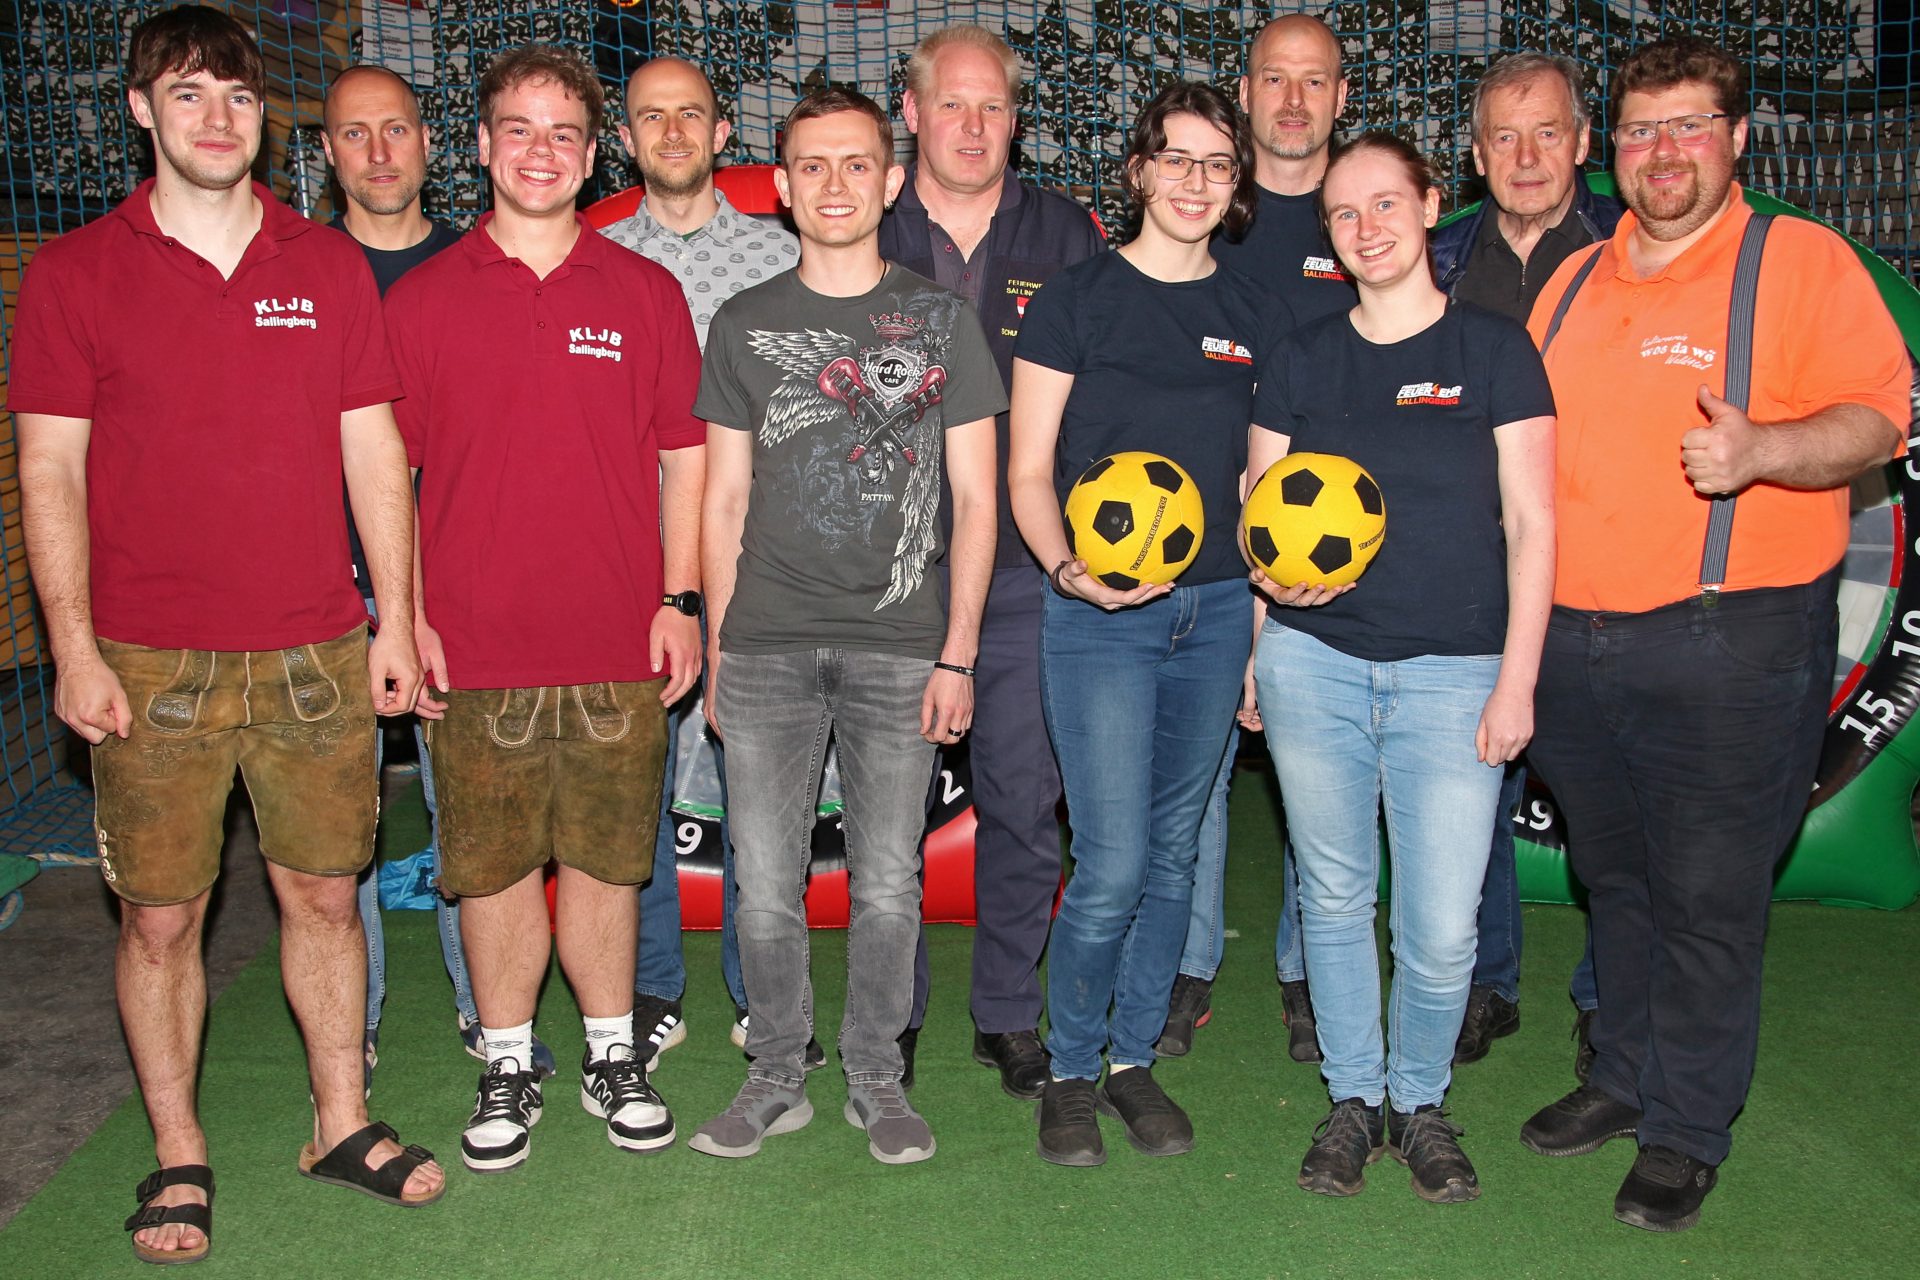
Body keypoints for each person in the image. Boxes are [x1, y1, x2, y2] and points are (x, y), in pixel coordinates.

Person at [10, 7, 444, 1263]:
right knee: (159, 918)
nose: (218, 118)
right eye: (190, 94)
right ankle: (178, 1151)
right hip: (148, 658)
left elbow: (375, 448)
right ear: (141, 109)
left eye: (240, 97)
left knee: (326, 894)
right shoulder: (74, 274)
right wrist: (73, 647)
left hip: (317, 647)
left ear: (265, 118)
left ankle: (340, 1121)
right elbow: (49, 468)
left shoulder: (326, 266)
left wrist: (399, 617)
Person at [1517, 36, 1909, 1232]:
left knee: (1707, 895)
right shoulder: (1571, 279)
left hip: (1731, 638)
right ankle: (1624, 1075)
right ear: (1613, 149)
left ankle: (1687, 1127)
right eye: (1642, 130)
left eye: (1690, 125)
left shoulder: (1801, 261)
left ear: (1736, 138)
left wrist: (1765, 451)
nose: (1664, 151)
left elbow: (1879, 417)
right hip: (1575, 638)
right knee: (1618, 876)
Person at [384, 43, 706, 1173]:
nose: (540, 151)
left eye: (564, 132)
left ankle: (615, 1054)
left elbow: (686, 457)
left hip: (618, 640)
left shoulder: (646, 293)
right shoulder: (422, 301)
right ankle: (509, 1060)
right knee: (490, 865)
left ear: (592, 154)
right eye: (517, 129)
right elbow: (387, 474)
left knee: (612, 864)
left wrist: (680, 598)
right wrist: (404, 615)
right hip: (471, 649)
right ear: (480, 147)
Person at [689, 86, 1002, 1166]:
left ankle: (876, 1076)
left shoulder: (943, 321)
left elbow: (977, 500)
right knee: (765, 886)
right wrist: (720, 648)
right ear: (781, 187)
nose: (835, 184)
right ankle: (776, 1074)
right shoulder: (743, 323)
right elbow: (722, 501)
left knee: (888, 882)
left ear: (892, 180)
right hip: (766, 646)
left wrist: (959, 650)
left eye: (857, 163)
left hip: (901, 646)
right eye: (812, 166)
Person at [1247, 132, 1555, 1204]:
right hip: (1315, 666)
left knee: (1440, 924)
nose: (1366, 227)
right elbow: (1259, 515)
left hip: (1457, 673)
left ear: (1431, 205)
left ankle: (1419, 1100)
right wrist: (1263, 636)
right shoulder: (1300, 357)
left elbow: (1535, 522)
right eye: (1344, 212)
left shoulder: (1496, 349)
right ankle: (1353, 1097)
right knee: (1333, 897)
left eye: (1386, 203)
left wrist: (1518, 678)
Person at [1010, 81, 1293, 1167]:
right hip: (1100, 618)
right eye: (1175, 158)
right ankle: (1071, 1067)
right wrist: (1068, 570)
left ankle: (1132, 1059)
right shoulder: (1076, 300)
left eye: (1217, 164)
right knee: (1115, 858)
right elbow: (1028, 470)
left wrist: (1258, 638)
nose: (1194, 181)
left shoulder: (1257, 313)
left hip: (1215, 614)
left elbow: (1266, 502)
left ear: (1237, 184)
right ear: (1137, 171)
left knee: (1177, 852)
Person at [877, 22, 1106, 1100]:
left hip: (1022, 570)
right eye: (952, 105)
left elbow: (1106, 390)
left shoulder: (1067, 234)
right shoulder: (864, 219)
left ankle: (1008, 1009)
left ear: (1018, 118)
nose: (973, 127)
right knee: (889, 812)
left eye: (994, 107)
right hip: (886, 572)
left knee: (1024, 798)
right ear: (912, 112)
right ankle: (893, 1010)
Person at [320, 62, 558, 1083]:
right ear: (327, 152)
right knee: (341, 836)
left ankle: (486, 1014)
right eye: (354, 133)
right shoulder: (303, 274)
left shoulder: (479, 268)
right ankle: (352, 1025)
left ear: (430, 141)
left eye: (396, 129)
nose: (378, 152)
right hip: (323, 593)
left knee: (471, 822)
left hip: (453, 597)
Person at [1160, 12, 1358, 1064]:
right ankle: (1186, 960)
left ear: (1341, 98)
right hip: (1201, 537)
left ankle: (1307, 969)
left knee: (1317, 764)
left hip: (1331, 545)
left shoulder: (1362, 218)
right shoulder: (1204, 216)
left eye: (1313, 81)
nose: (1292, 100)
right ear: (1244, 92)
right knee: (1196, 763)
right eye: (1274, 79)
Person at [599, 54, 799, 1071]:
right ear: (623, 137)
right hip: (626, 563)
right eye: (651, 116)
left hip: (756, 564)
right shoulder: (591, 257)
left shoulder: (782, 256)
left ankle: (762, 996)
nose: (672, 133)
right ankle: (652, 987)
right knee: (637, 789)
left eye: (691, 115)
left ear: (723, 133)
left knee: (754, 787)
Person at [1426, 51, 1623, 1072]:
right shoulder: (1438, 259)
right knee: (1476, 792)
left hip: (1608, 569)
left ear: (1584, 143)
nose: (1528, 155)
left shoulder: (1635, 246)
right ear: (1476, 154)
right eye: (1504, 136)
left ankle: (1610, 998)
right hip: (1476, 570)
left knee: (1607, 803)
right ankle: (1486, 981)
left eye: (1548, 132)